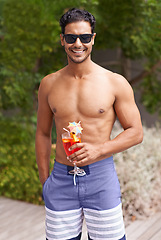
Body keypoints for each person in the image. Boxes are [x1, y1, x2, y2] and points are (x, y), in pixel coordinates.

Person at [35, 8, 143, 240]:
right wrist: (46, 182)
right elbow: (43, 134)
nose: (78, 43)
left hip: (100, 178)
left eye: (84, 37)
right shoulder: (49, 84)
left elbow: (136, 132)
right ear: (62, 39)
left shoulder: (115, 82)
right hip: (61, 179)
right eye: (71, 37)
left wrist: (99, 150)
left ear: (93, 38)